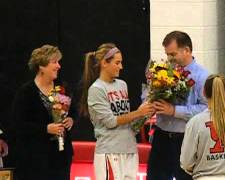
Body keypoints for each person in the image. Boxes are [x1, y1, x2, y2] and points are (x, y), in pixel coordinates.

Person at [79, 43, 154, 180]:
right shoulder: (96, 89)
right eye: (117, 62)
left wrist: (148, 112)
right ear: (104, 63)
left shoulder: (122, 85)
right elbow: (111, 122)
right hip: (110, 151)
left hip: (130, 148)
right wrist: (138, 112)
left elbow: (129, 122)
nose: (121, 67)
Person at [147, 31, 209, 180]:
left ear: (186, 50)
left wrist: (174, 111)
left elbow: (206, 109)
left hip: (186, 138)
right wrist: (151, 103)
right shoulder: (162, 71)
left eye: (173, 54)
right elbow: (149, 95)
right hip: (161, 136)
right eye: (167, 54)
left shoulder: (202, 76)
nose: (169, 59)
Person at [11, 45, 74, 180]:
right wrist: (45, 129)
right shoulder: (26, 92)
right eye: (54, 62)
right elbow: (18, 125)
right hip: (36, 160)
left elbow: (72, 111)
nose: (59, 66)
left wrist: (71, 120)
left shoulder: (61, 87)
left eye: (59, 62)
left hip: (61, 157)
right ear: (41, 66)